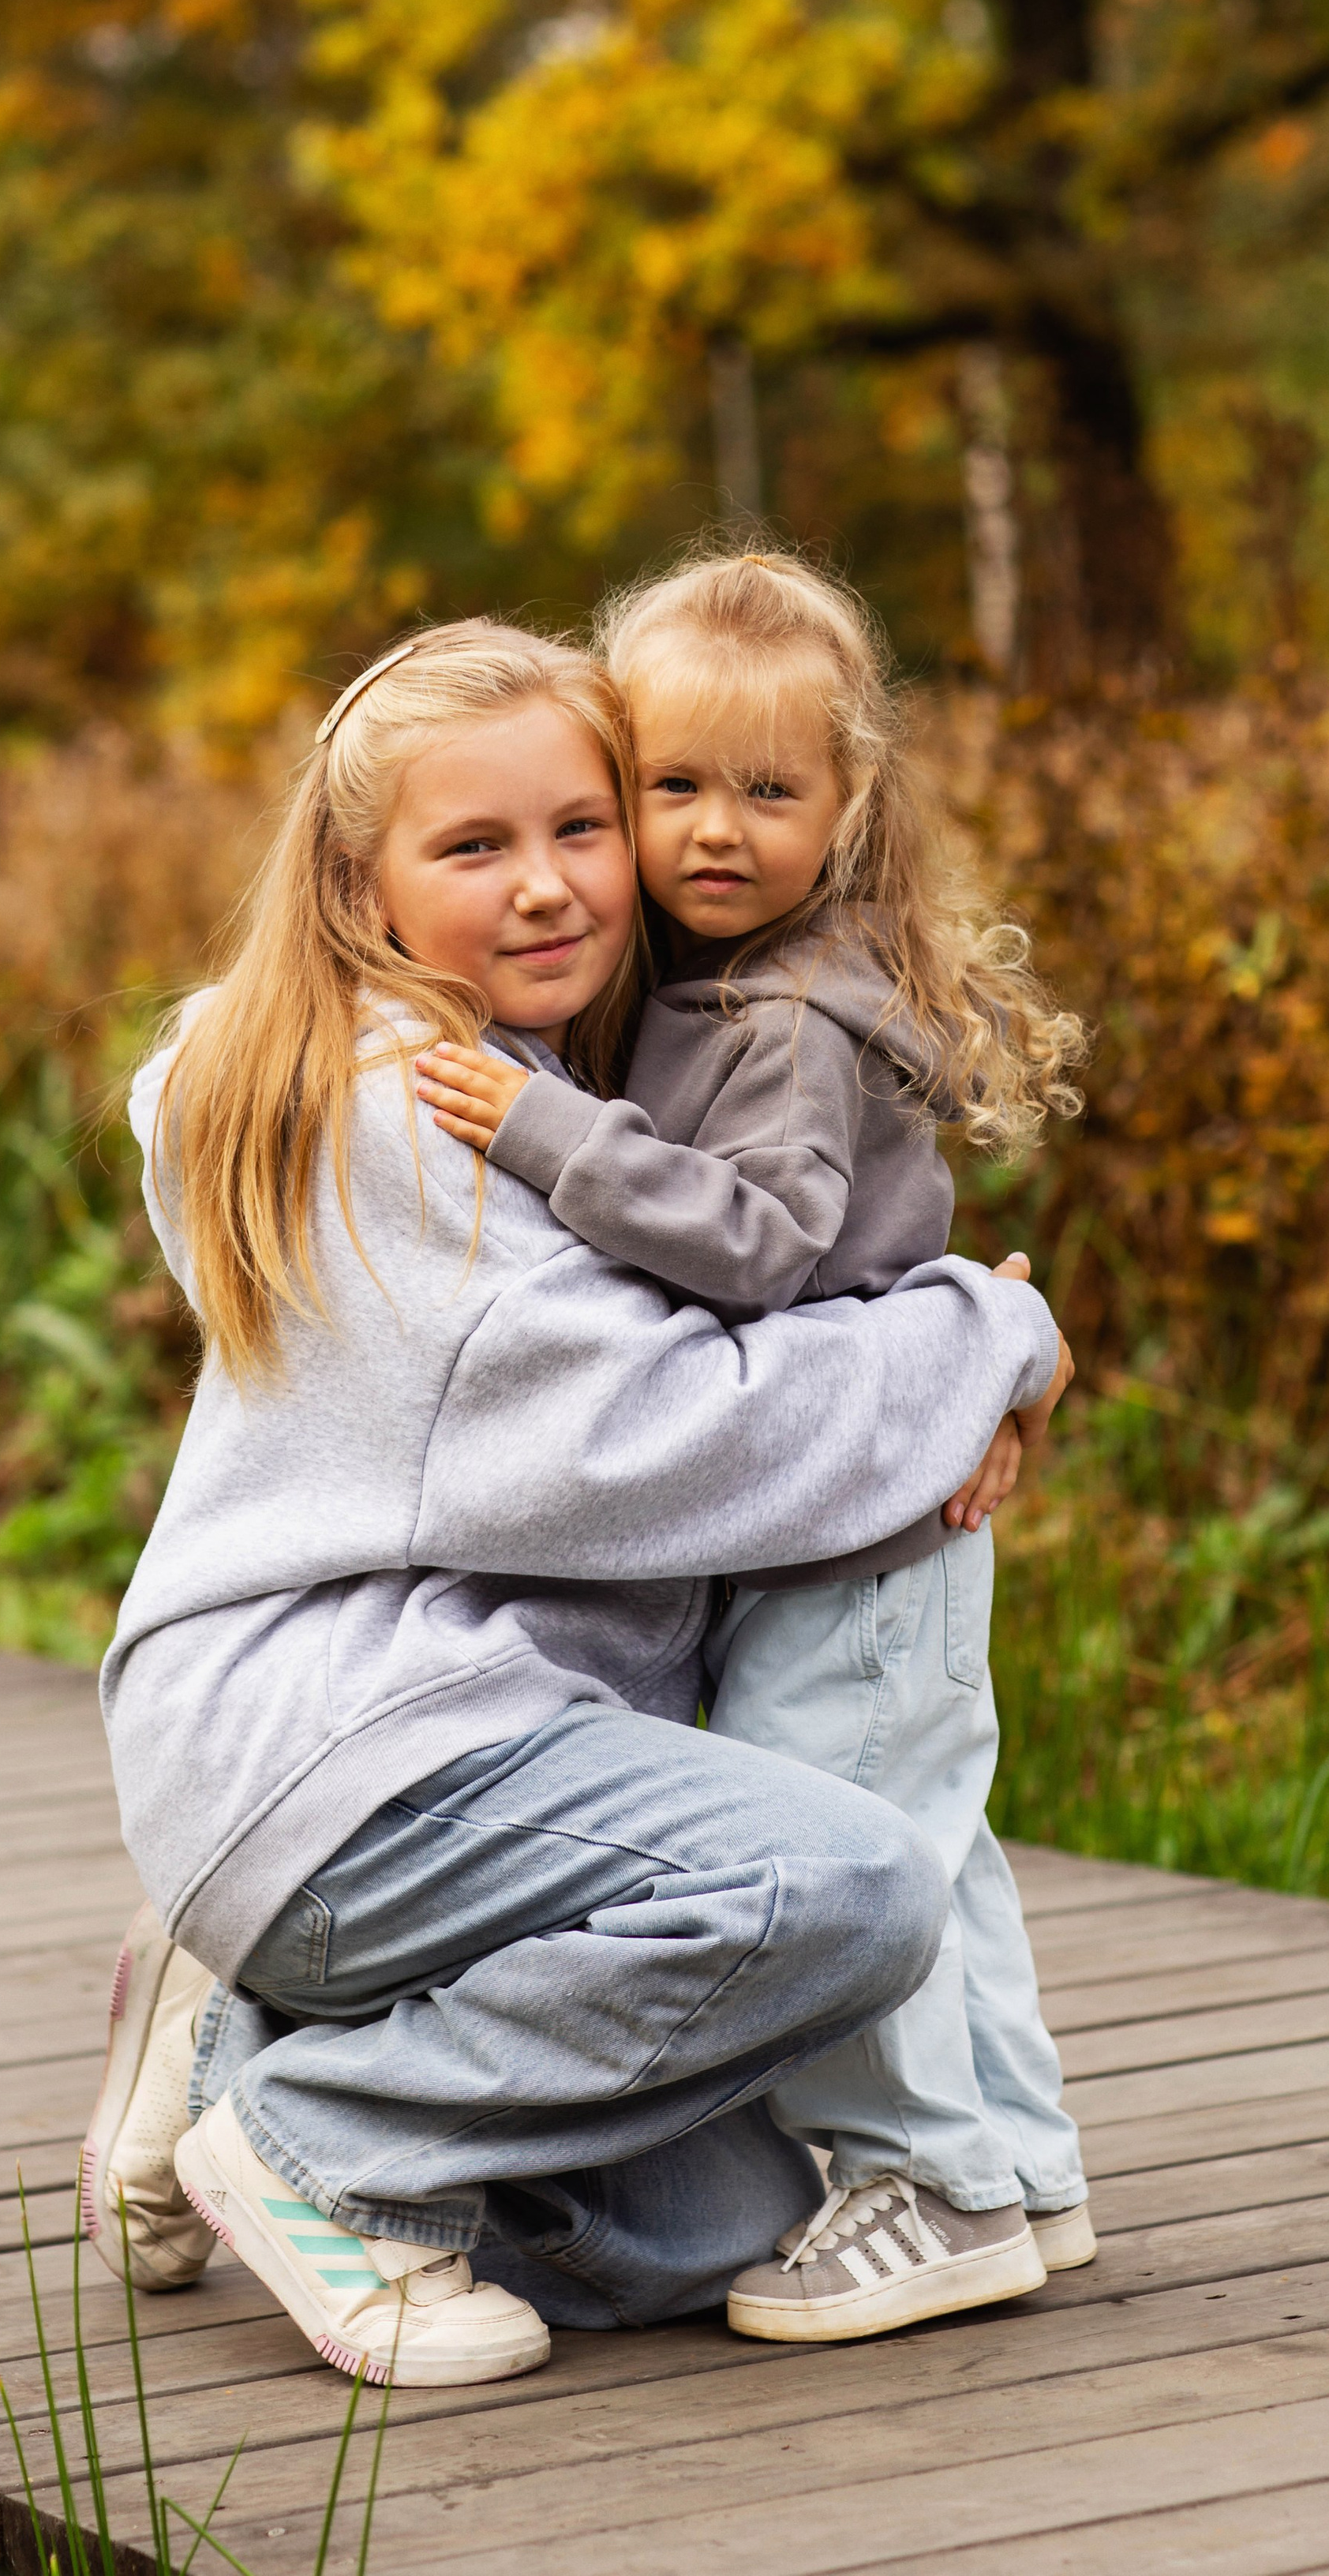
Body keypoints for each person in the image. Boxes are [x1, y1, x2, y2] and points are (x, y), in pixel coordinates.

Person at [80, 617, 1069, 2389]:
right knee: (845, 1890)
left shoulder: (516, 1073)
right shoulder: (396, 1118)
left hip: (431, 1750)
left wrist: (947, 1356)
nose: (547, 889)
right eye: (473, 847)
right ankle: (329, 2150)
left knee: (717, 2225)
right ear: (358, 880)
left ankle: (251, 2035)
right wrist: (984, 1333)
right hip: (359, 1749)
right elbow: (667, 1441)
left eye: (579, 828)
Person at [414, 545, 1090, 2347]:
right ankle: (1021, 2169)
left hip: (852, 1530)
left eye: (768, 791)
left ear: (847, 803)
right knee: (939, 1847)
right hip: (868, 1515)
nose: (716, 830)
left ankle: (924, 2186)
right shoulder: (743, 989)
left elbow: (768, 1242)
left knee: (854, 1855)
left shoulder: (782, 1018)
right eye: (674, 787)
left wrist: (546, 1129)